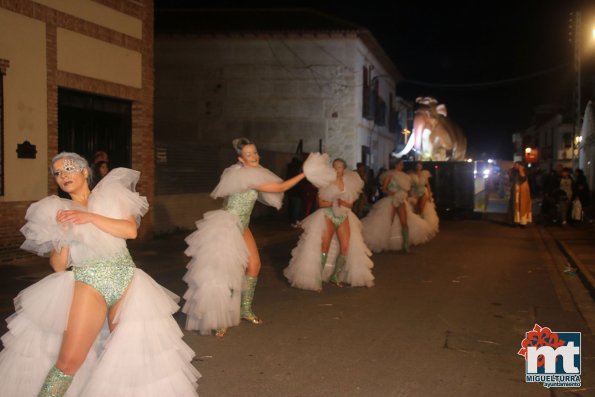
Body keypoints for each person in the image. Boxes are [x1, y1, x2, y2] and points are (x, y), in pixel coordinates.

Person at [0, 152, 199, 396]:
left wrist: (89, 217)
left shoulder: (111, 196)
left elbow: (129, 230)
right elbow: (59, 266)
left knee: (128, 359)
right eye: (58, 173)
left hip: (128, 281)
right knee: (69, 361)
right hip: (88, 282)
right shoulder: (58, 209)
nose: (63, 176)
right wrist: (61, 233)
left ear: (85, 172)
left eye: (69, 169)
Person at [182, 138, 333, 337]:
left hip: (242, 225)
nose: (254, 156)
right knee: (228, 272)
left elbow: (272, 186)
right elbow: (279, 188)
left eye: (255, 152)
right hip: (229, 226)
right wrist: (304, 174)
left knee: (254, 266)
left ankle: (244, 309)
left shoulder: (253, 172)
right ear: (240, 159)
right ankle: (220, 318)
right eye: (249, 154)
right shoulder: (242, 175)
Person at [284, 158, 374, 291]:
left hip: (344, 215)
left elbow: (350, 204)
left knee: (345, 247)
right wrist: (333, 203)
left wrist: (342, 203)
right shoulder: (326, 183)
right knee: (324, 246)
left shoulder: (349, 184)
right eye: (335, 166)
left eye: (339, 167)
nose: (337, 169)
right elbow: (321, 203)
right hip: (328, 215)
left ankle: (335, 276)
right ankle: (318, 276)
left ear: (344, 169)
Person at [361, 158, 432, 253]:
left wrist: (404, 195)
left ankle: (405, 245)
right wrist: (393, 193)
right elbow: (384, 189)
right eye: (401, 164)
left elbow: (407, 189)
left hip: (401, 200)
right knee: (388, 221)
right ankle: (385, 242)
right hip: (390, 201)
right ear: (396, 165)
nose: (402, 166)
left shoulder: (404, 176)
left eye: (402, 164)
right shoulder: (389, 175)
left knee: (404, 221)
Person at [409, 161, 439, 236]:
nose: (419, 167)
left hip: (423, 192)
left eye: (420, 166)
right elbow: (410, 185)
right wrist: (409, 194)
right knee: (416, 209)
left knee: (422, 208)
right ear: (415, 166)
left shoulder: (425, 174)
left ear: (422, 167)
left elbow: (428, 185)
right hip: (414, 192)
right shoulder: (411, 175)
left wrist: (429, 195)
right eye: (417, 166)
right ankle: (418, 226)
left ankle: (423, 227)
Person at [508, 161, 532, 227]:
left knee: (523, 206)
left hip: (523, 191)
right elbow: (510, 179)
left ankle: (523, 222)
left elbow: (523, 179)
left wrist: (521, 171)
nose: (516, 167)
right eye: (515, 165)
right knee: (515, 206)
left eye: (518, 165)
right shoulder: (513, 172)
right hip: (515, 191)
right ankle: (515, 221)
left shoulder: (524, 172)